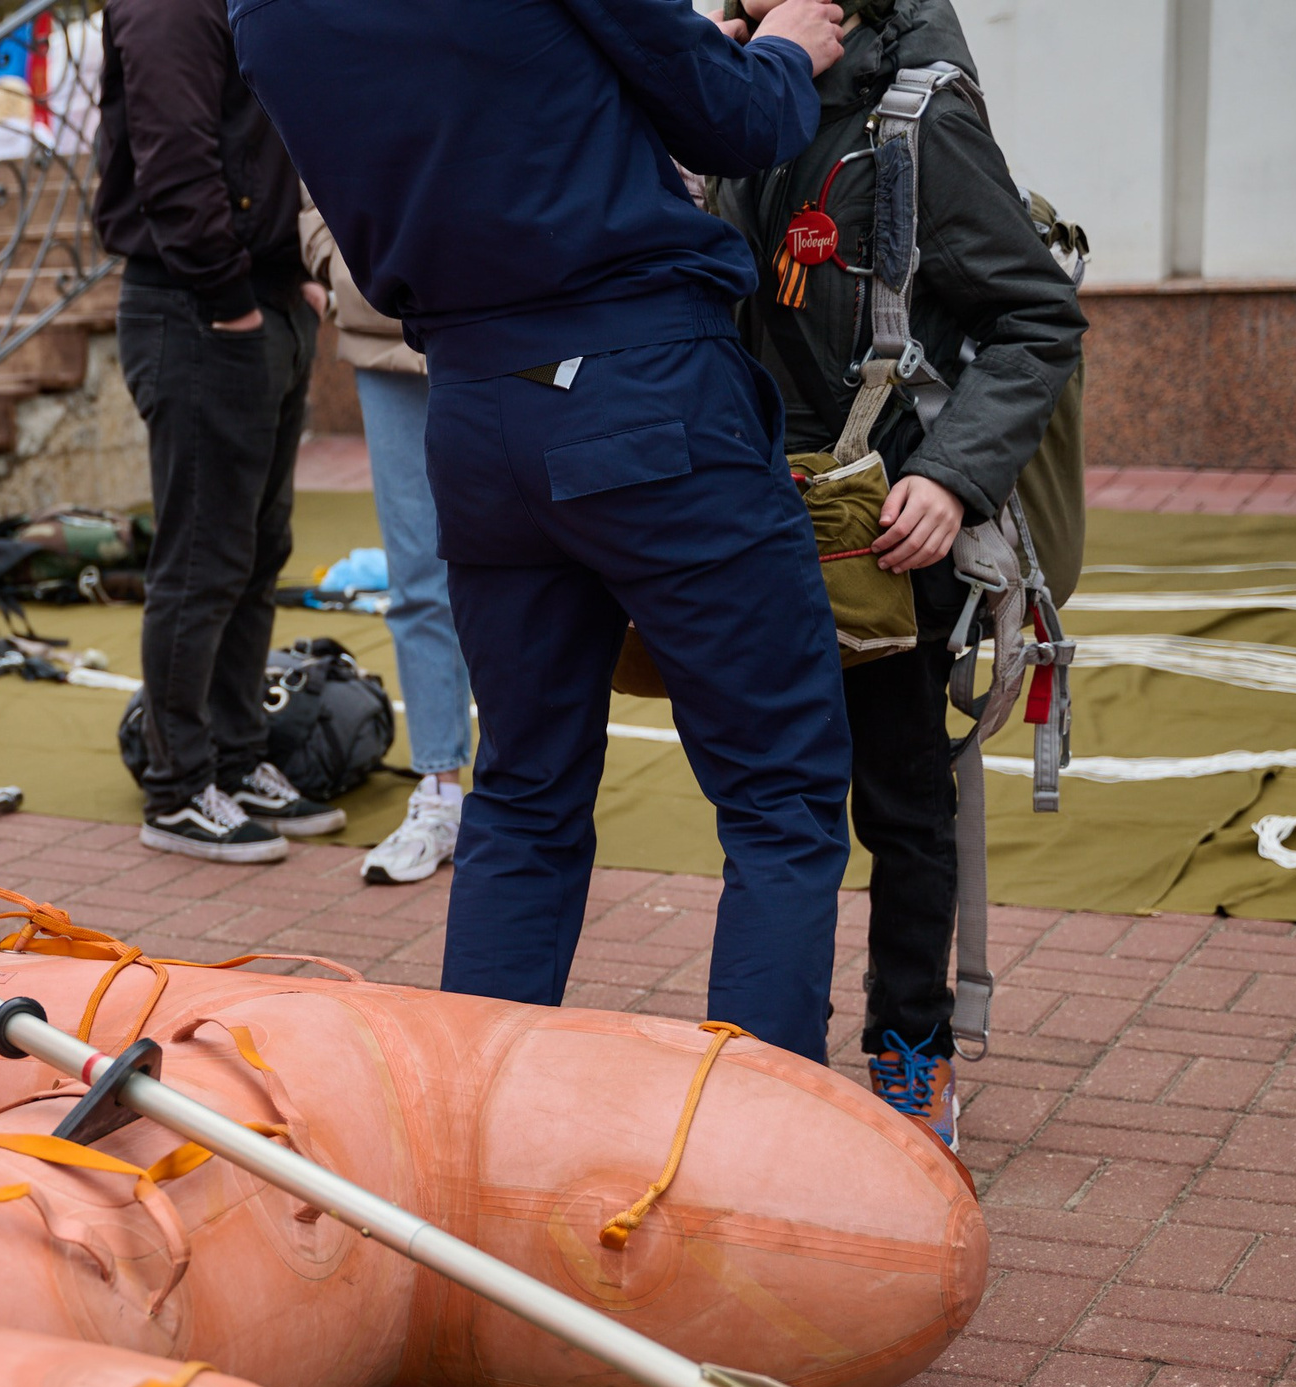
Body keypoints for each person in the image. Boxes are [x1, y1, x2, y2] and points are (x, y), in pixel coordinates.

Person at [234, 0, 859, 1061]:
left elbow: (467, 103)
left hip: (476, 408)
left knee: (523, 792)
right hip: (640, 381)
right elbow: (738, 120)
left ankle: (470, 1116)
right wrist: (785, 51)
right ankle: (757, 1126)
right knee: (779, 788)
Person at [711, 0, 1083, 1136]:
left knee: (902, 802)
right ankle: (769, 1060)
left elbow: (1036, 319)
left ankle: (911, 1047)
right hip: (751, 512)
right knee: (773, 804)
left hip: (888, 531)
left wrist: (954, 477)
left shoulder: (918, 120)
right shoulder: (729, 100)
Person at [96, 0, 341, 864]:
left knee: (256, 550)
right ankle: (178, 787)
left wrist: (285, 275)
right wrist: (232, 296)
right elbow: (175, 155)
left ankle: (236, 758)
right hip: (198, 306)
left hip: (253, 297)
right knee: (202, 561)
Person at [299, 204, 471, 886]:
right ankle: (440, 791)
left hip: (511, 315)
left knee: (537, 565)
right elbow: (309, 175)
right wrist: (340, 265)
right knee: (417, 573)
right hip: (384, 326)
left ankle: (532, 790)